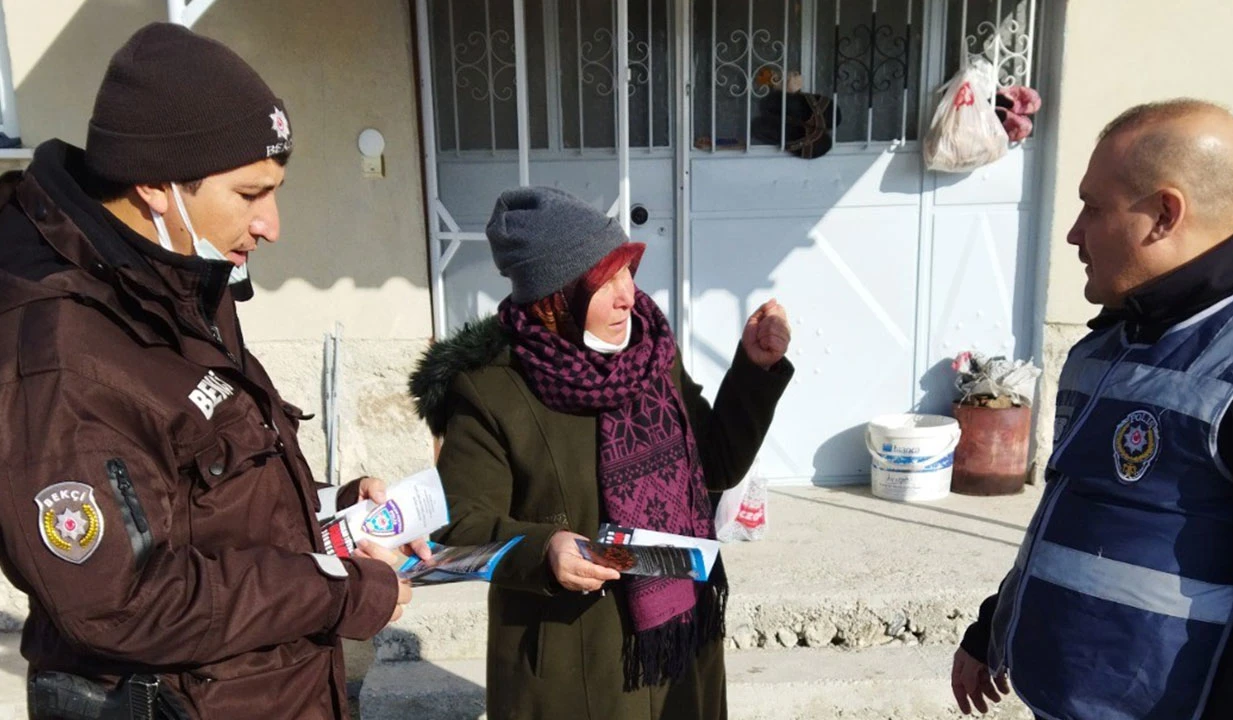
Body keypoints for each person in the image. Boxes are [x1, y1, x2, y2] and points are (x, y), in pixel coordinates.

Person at [0, 23, 425, 719]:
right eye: (250, 193)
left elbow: (203, 492)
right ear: (156, 188)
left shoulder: (178, 283)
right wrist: (340, 587)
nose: (272, 224)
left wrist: (331, 511)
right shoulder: (58, 354)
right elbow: (121, 600)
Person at [409, 186, 794, 719]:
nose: (627, 295)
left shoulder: (651, 357)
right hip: (575, 661)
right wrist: (543, 548)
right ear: (554, 297)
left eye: (627, 271)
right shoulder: (491, 390)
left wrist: (755, 371)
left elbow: (718, 464)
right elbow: (457, 527)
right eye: (604, 280)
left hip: (678, 640)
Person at [951, 99, 1233, 719]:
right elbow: (1072, 510)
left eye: (1093, 208)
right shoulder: (1110, 343)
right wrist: (993, 626)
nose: (1074, 232)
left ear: (1163, 215)